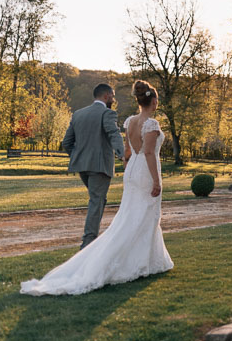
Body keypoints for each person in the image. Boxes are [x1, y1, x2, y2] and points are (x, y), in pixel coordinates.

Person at [21, 80, 173, 295]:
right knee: (132, 213)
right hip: (139, 171)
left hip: (125, 170)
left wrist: (86, 158)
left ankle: (148, 260)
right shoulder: (147, 123)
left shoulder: (124, 121)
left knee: (130, 215)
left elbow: (124, 151)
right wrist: (156, 180)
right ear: (154, 100)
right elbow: (142, 150)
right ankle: (103, 250)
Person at [62, 83, 126, 248]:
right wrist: (123, 154)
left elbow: (66, 142)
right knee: (96, 202)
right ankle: (88, 243)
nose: (113, 99)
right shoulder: (107, 113)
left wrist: (78, 157)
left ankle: (91, 239)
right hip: (100, 167)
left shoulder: (78, 114)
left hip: (82, 167)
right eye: (112, 95)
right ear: (106, 96)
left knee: (97, 200)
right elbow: (113, 133)